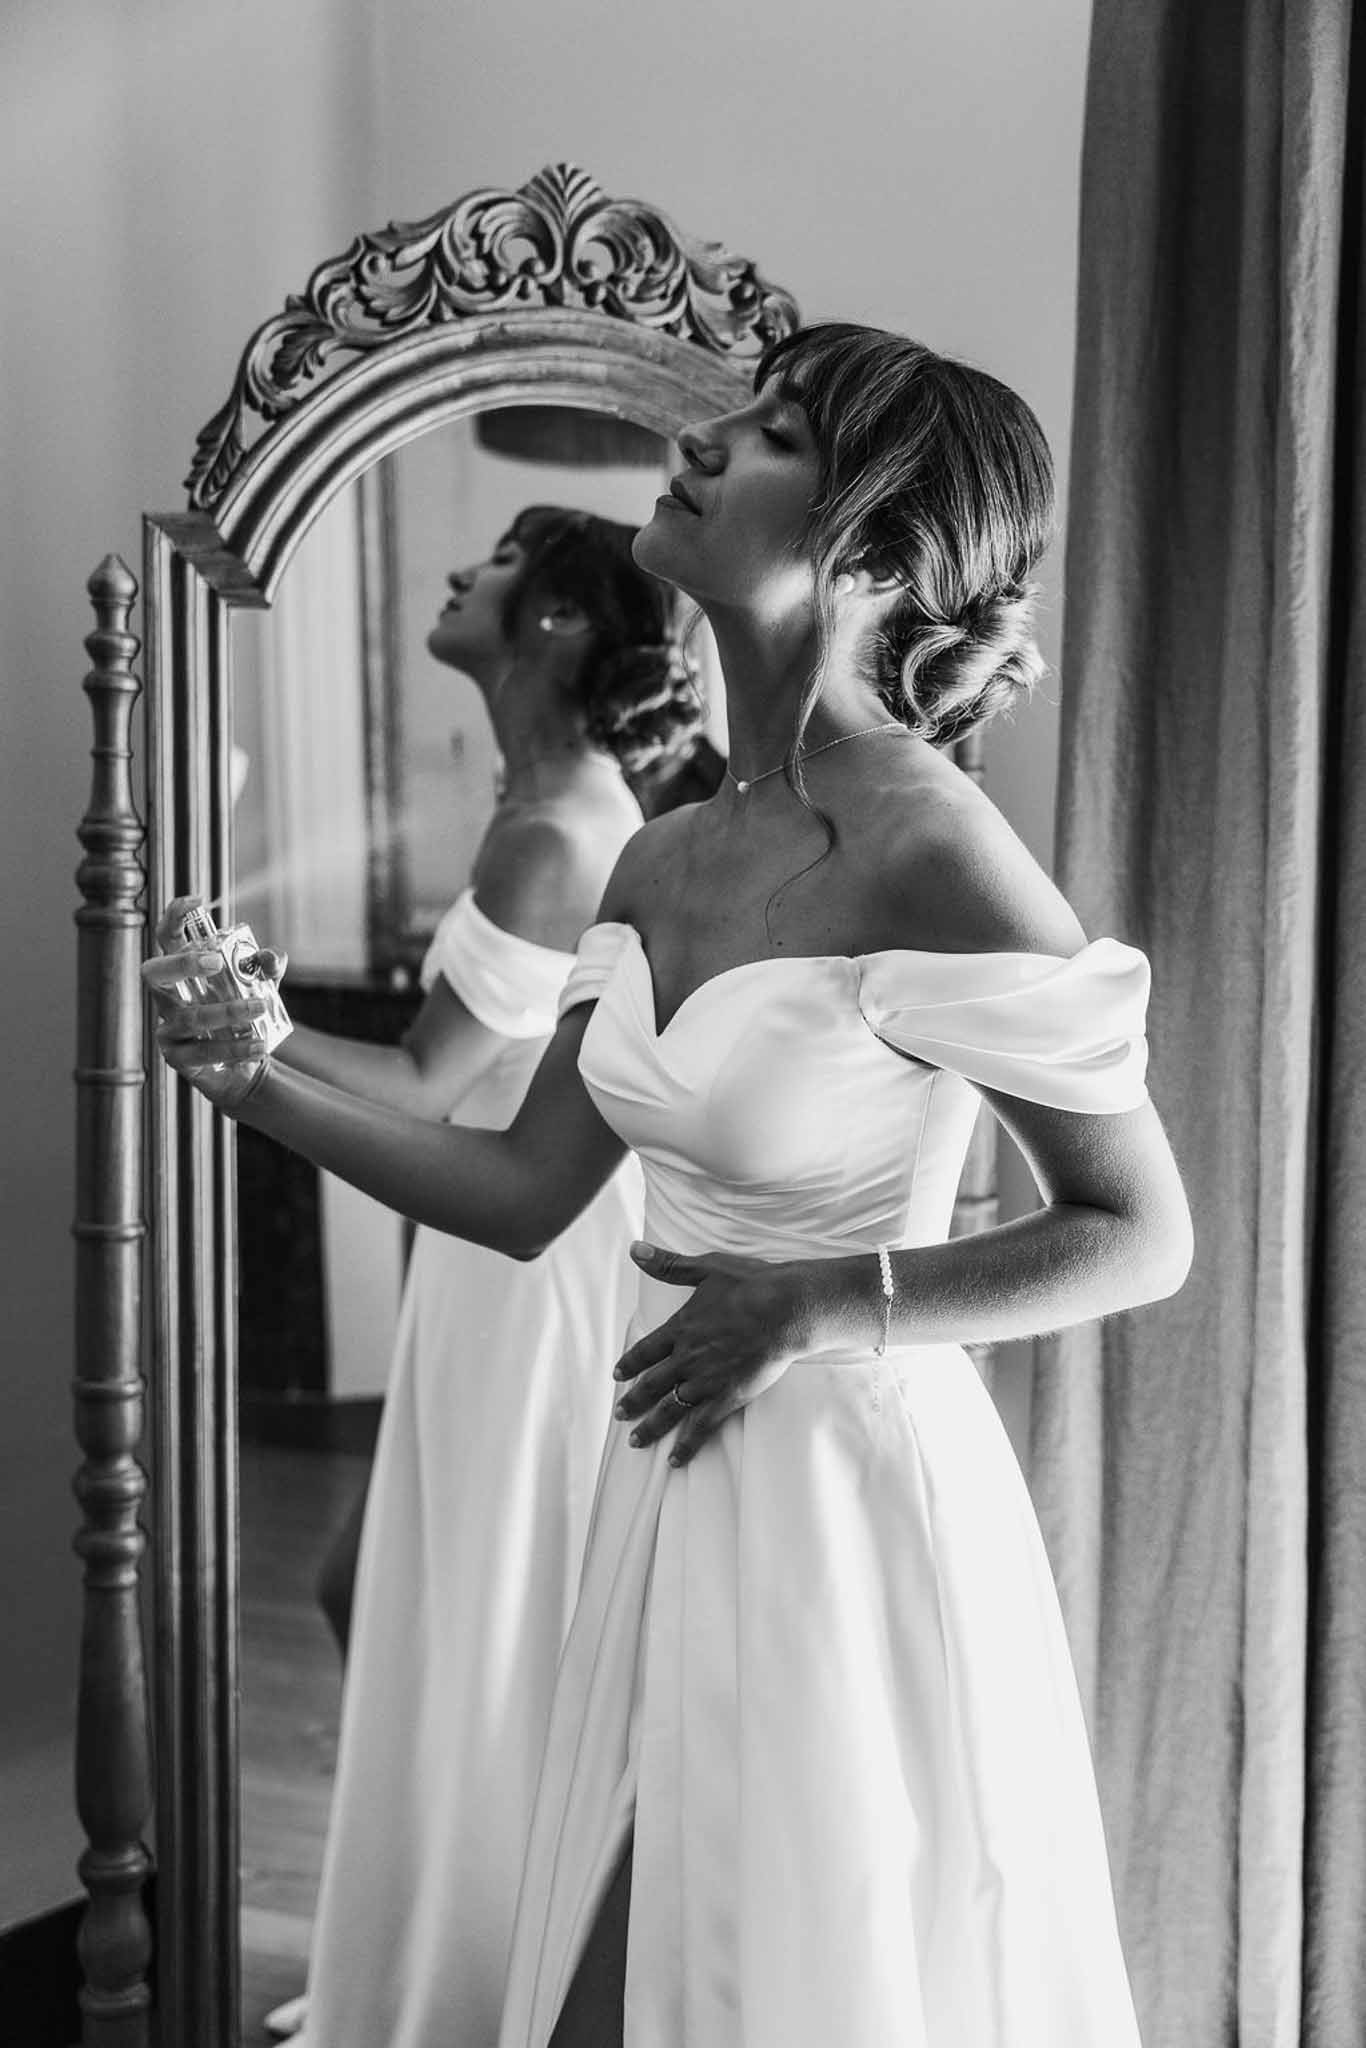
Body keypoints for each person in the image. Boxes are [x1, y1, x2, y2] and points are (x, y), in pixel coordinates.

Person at [147, 325, 1193, 2048]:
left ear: (874, 551)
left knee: (781, 1980)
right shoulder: (659, 850)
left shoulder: (933, 848)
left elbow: (1137, 1233)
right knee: (627, 1980)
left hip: (843, 1500)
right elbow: (517, 1187)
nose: (702, 444)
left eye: (773, 434)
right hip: (668, 1467)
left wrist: (818, 1304)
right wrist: (249, 1075)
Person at [232, 503, 704, 2048]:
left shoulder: (556, 831)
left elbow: (432, 1089)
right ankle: (456, 1941)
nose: (457, 575)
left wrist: (235, 1020)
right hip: (499, 1269)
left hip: (527, 1275)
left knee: (485, 1618)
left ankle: (486, 1974)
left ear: (557, 623)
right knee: (420, 1596)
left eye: (492, 562)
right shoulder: (558, 807)